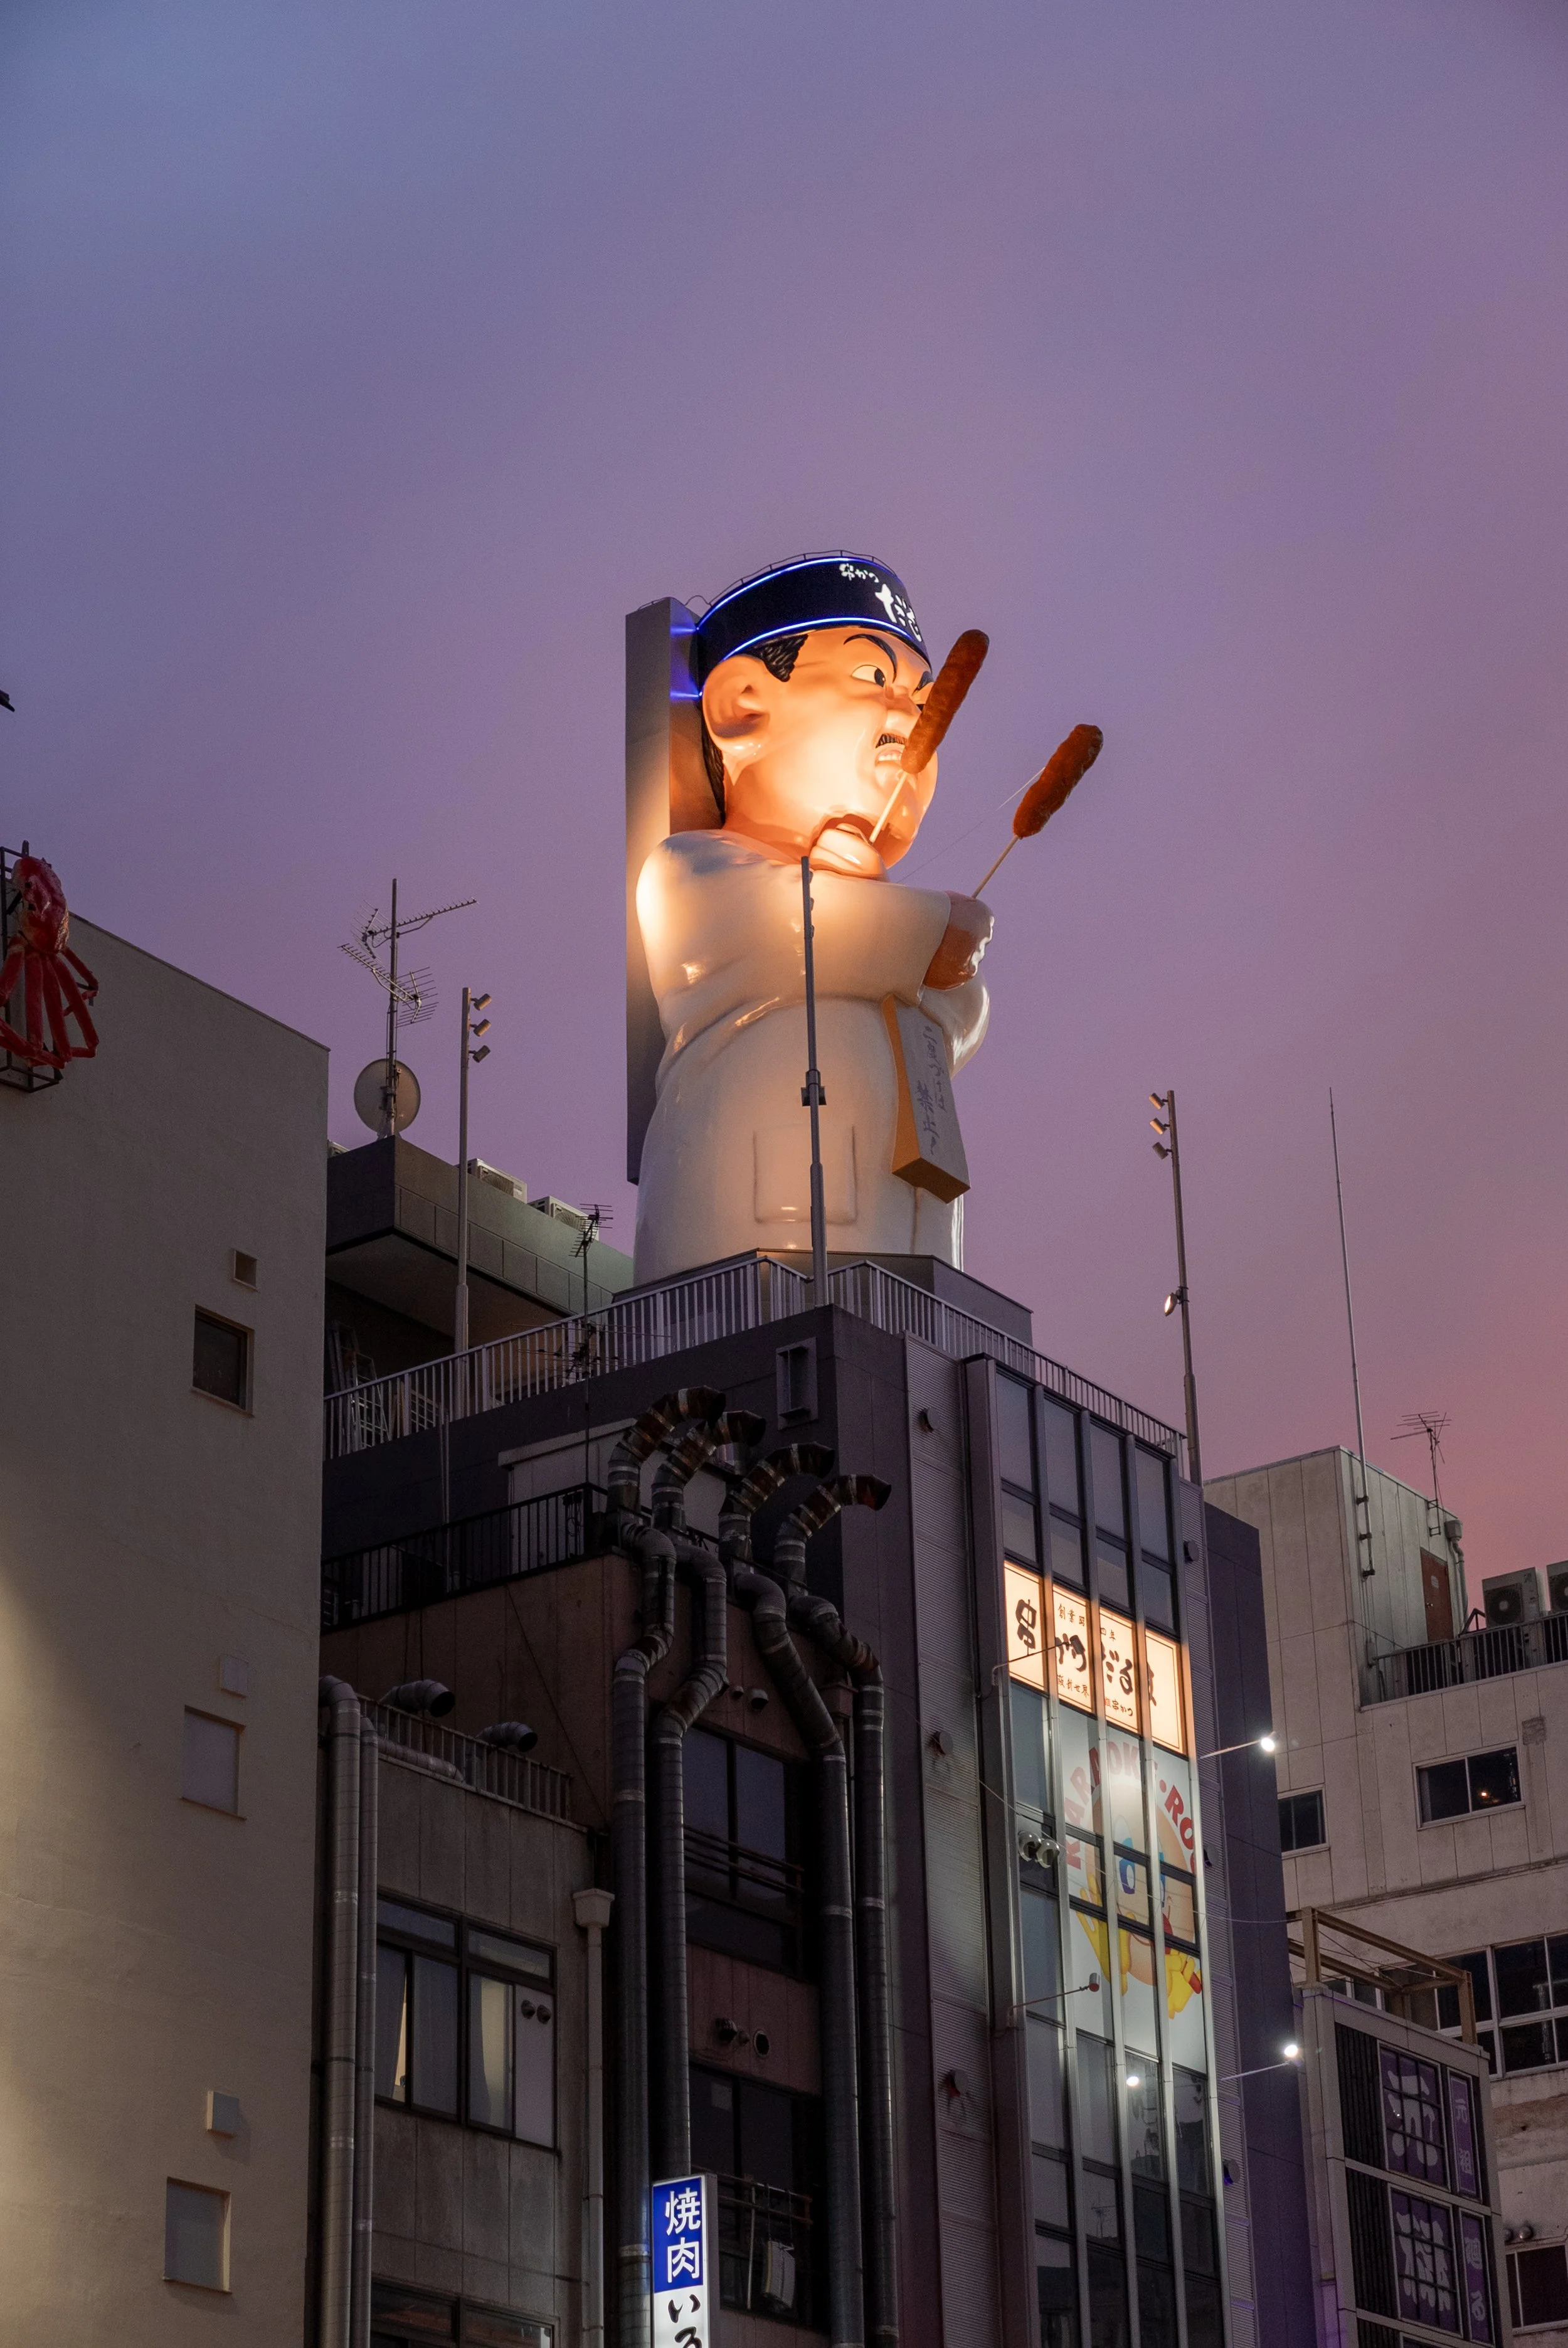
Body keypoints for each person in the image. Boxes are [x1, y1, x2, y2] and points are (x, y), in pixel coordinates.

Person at [632, 553, 992, 1285]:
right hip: (751, 1247)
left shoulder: (882, 913)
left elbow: (961, 1006)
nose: (909, 721)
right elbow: (793, 929)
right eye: (872, 679)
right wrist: (928, 929)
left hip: (914, 1248)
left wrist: (926, 949)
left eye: (922, 704)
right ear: (743, 704)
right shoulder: (691, 869)